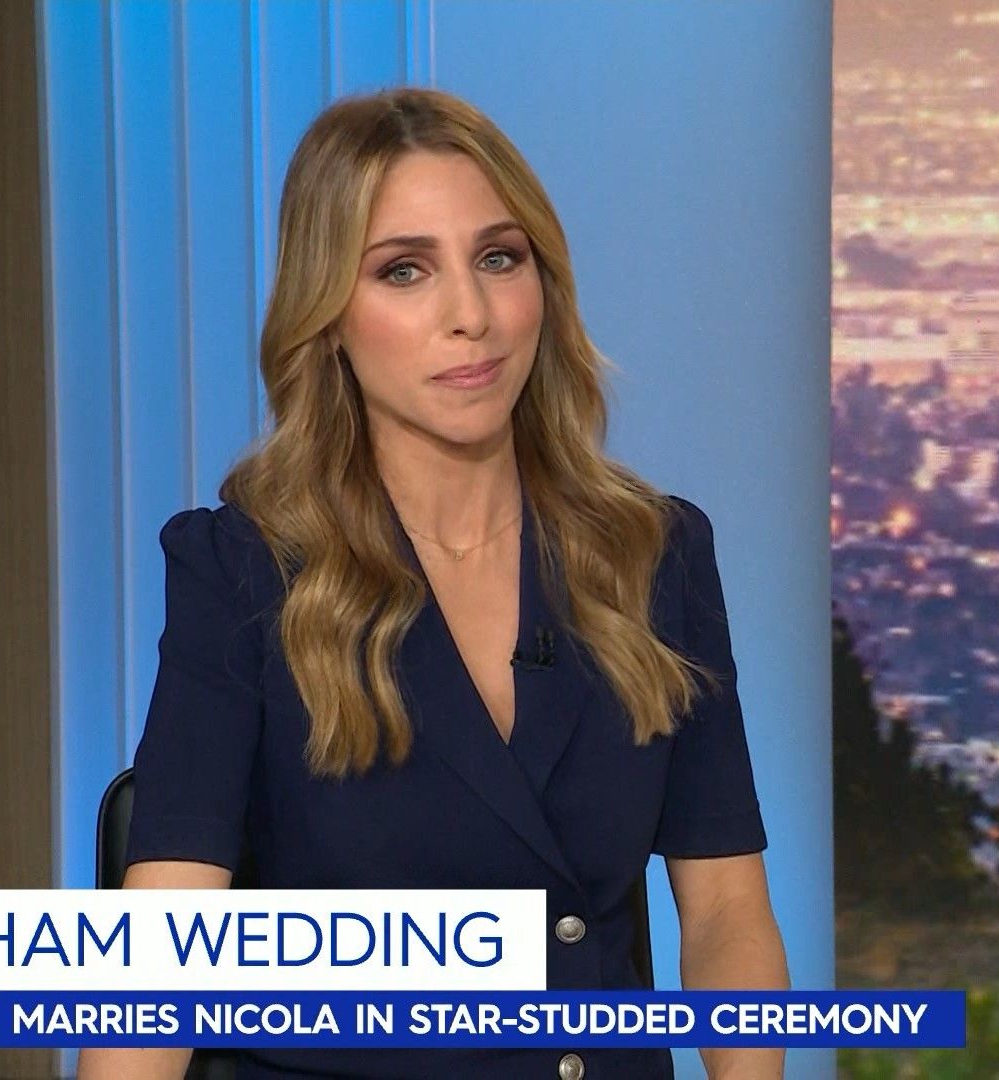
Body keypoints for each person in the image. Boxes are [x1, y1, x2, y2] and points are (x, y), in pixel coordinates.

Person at [80, 86, 788, 1080]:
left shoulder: (654, 554)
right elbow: (163, 958)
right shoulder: (243, 573)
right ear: (329, 316)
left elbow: (724, 914)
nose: (472, 316)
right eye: (404, 271)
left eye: (499, 258)